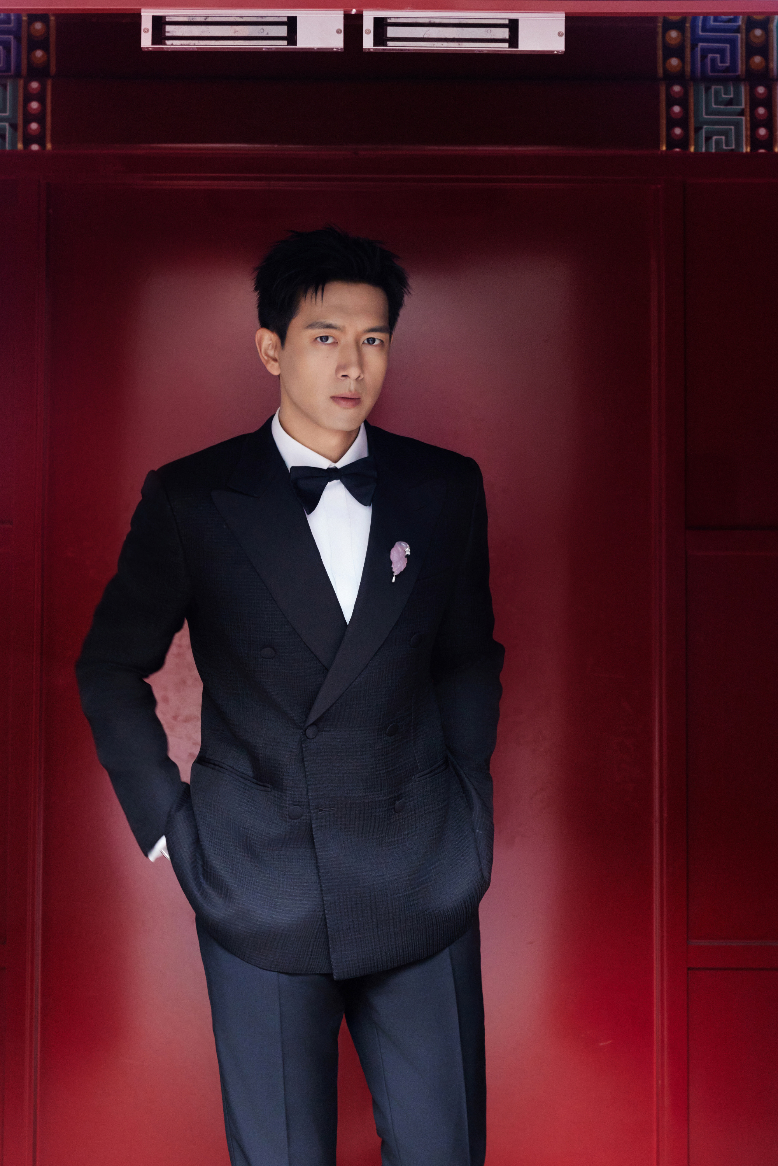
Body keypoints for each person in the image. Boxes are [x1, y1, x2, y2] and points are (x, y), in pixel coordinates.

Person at [76, 226, 504, 1166]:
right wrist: (170, 831)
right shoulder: (192, 498)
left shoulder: (444, 488)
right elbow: (108, 666)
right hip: (257, 883)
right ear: (271, 349)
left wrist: (470, 806)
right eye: (325, 337)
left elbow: (468, 659)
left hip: (422, 871)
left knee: (444, 1151)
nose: (353, 364)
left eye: (374, 339)